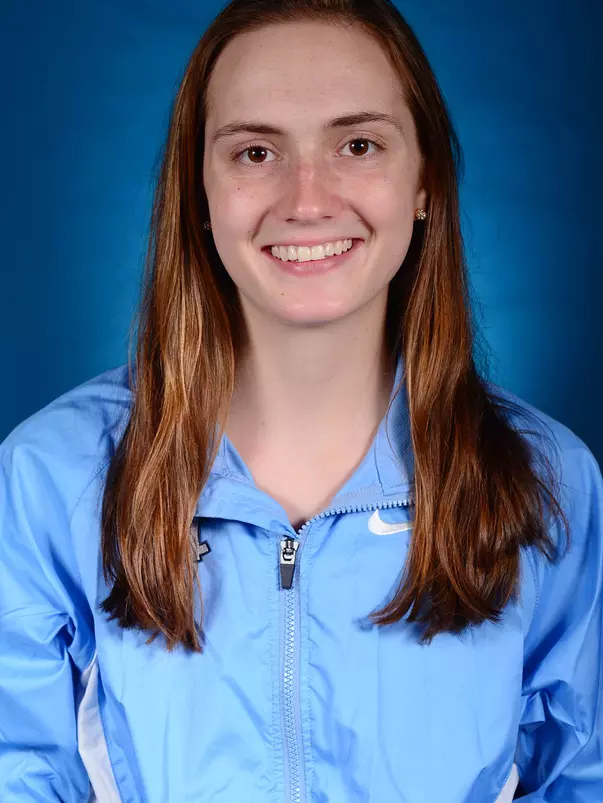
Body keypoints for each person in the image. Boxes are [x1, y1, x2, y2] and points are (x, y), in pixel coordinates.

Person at [1, 0, 601, 800]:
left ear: (424, 182)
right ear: (199, 193)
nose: (307, 199)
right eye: (255, 151)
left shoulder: (547, 481)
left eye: (358, 144)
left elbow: (580, 774)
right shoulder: (49, 478)